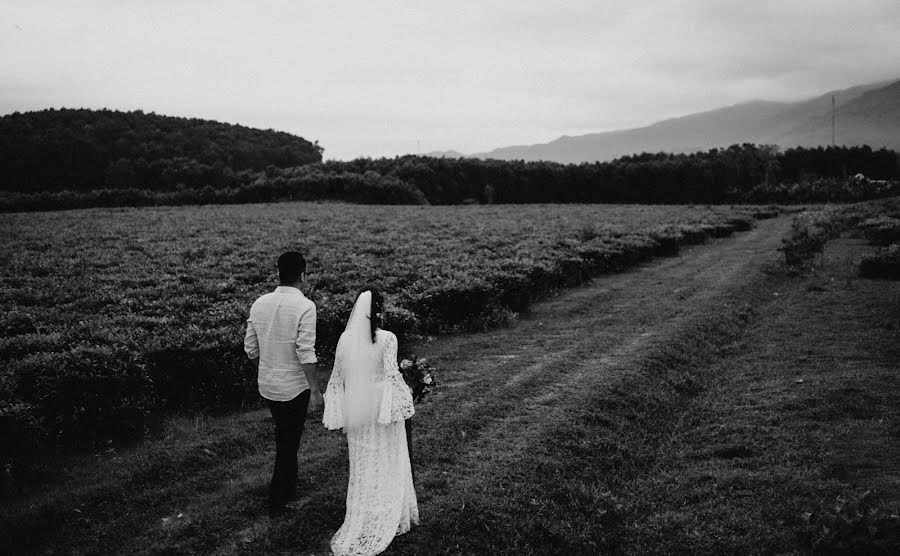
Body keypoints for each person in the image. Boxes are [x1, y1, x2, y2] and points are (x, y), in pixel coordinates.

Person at [323, 288, 418, 556]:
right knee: (388, 455)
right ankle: (389, 512)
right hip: (380, 403)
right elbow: (391, 374)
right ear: (379, 311)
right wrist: (405, 398)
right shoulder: (388, 338)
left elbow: (338, 378)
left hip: (358, 403)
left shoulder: (345, 339)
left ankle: (364, 510)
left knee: (363, 457)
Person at [244, 251, 323, 518]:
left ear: (278, 272)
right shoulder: (305, 306)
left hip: (268, 385)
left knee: (285, 436)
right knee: (288, 442)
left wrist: (268, 370)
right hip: (294, 388)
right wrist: (315, 390)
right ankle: (280, 500)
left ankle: (285, 492)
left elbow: (251, 349)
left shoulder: (259, 303)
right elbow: (306, 352)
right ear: (303, 275)